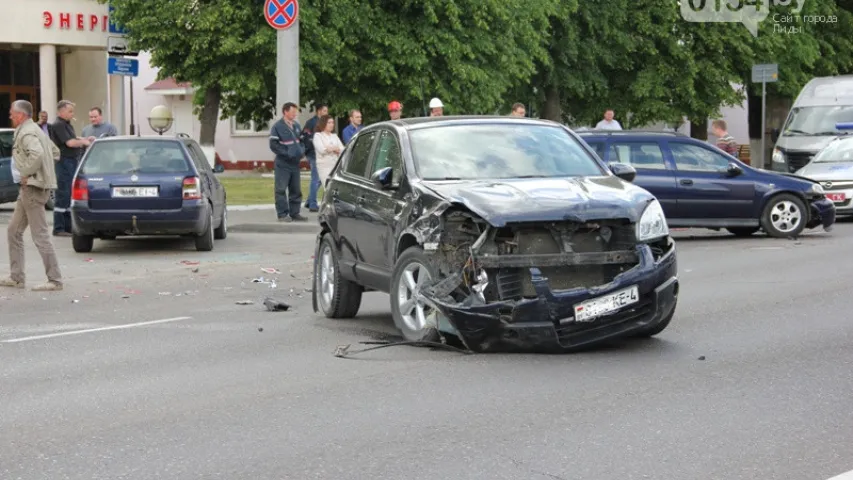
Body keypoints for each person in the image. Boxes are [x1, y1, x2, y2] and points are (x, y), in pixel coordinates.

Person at [0, 100, 63, 292]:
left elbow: (37, 154)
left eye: (12, 113)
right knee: (13, 231)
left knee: (40, 235)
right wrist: (42, 172)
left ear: (20, 115)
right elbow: (55, 152)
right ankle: (16, 277)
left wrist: (28, 173)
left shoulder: (27, 132)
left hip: (33, 189)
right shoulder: (35, 129)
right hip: (29, 190)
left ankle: (55, 280)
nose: (10, 115)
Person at [49, 100, 93, 237]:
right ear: (61, 112)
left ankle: (68, 227)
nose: (72, 114)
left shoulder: (66, 125)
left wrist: (85, 138)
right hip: (64, 162)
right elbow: (70, 142)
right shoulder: (58, 125)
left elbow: (74, 138)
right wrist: (84, 142)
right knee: (63, 194)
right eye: (70, 111)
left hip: (71, 162)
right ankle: (59, 227)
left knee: (69, 194)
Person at [269, 102, 307, 222]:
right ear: (285, 111)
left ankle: (295, 213)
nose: (295, 114)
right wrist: (287, 153)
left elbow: (301, 141)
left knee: (296, 189)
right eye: (293, 111)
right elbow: (273, 145)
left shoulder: (296, 125)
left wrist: (301, 151)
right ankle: (282, 214)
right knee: (280, 189)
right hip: (283, 163)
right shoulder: (277, 127)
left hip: (295, 163)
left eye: (296, 111)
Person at [301, 103, 327, 212]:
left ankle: (309, 201)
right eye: (325, 111)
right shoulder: (311, 123)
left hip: (322, 154)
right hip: (313, 154)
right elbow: (305, 138)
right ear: (319, 111)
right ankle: (312, 204)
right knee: (316, 178)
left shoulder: (325, 124)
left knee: (321, 178)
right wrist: (308, 151)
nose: (327, 113)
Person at [313, 115, 344, 187]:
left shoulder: (334, 136)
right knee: (328, 187)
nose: (332, 124)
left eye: (332, 122)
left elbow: (342, 149)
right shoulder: (318, 136)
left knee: (337, 187)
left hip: (336, 166)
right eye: (329, 123)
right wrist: (334, 148)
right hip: (324, 167)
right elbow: (322, 150)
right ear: (323, 123)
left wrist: (330, 148)